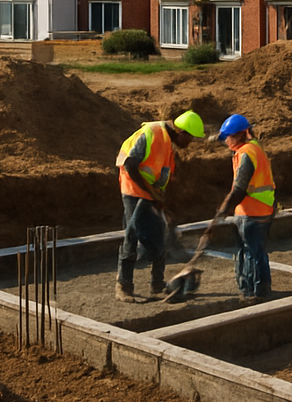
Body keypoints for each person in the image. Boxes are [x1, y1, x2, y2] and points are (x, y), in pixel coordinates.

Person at [115, 110, 205, 302]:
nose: (189, 145)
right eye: (189, 139)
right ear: (181, 132)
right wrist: (153, 194)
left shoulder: (167, 144)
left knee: (158, 236)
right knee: (131, 236)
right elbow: (130, 165)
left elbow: (160, 178)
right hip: (133, 189)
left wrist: (161, 202)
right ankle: (124, 285)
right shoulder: (152, 133)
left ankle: (157, 285)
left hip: (149, 193)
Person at [216, 113, 277, 302]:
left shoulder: (245, 154)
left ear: (241, 134)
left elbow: (239, 188)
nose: (226, 140)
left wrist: (224, 208)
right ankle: (262, 289)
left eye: (229, 136)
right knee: (257, 251)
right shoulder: (255, 148)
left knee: (250, 253)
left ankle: (253, 292)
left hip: (251, 213)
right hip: (264, 209)